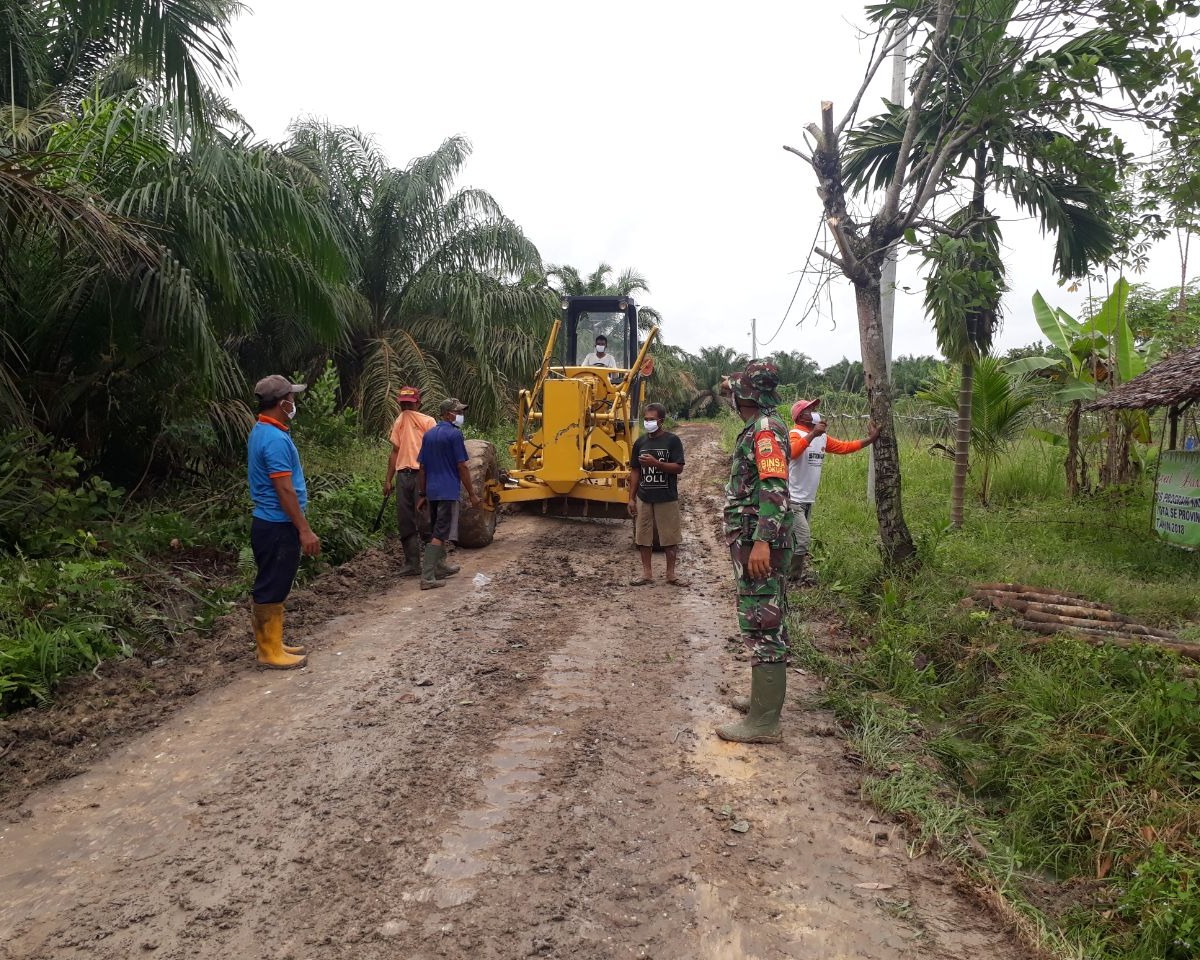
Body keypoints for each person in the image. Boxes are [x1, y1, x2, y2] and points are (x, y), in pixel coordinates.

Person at [718, 361, 793, 744]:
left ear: (745, 394)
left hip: (758, 541)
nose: (730, 396)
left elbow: (774, 487)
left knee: (762, 622)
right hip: (751, 538)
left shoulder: (764, 432)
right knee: (760, 616)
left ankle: (764, 723)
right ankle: (760, 703)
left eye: (734, 390)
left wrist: (762, 540)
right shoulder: (761, 427)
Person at [247, 375, 321, 670]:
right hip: (277, 525)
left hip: (271, 523)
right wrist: (304, 529)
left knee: (276, 584)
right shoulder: (275, 440)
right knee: (272, 585)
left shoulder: (263, 430)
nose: (294, 403)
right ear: (282, 403)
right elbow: (284, 489)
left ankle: (274, 643)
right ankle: (268, 651)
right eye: (292, 397)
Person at [787, 399, 879, 584]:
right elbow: (792, 453)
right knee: (803, 539)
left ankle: (782, 569)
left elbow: (843, 447)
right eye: (809, 410)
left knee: (792, 537)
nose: (814, 412)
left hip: (808, 499)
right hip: (792, 498)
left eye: (814, 408)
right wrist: (812, 434)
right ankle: (792, 577)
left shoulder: (822, 437)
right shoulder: (794, 434)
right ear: (800, 416)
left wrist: (870, 439)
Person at [417, 398, 482, 590]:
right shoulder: (454, 435)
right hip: (447, 491)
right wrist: (472, 493)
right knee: (440, 531)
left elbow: (422, 467)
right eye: (458, 412)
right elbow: (461, 465)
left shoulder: (428, 435)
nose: (461, 415)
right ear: (447, 414)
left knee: (437, 528)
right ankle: (427, 577)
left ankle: (440, 566)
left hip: (432, 491)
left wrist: (422, 492)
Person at [628, 402, 686, 585]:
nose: (648, 423)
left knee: (670, 537)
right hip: (644, 497)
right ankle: (647, 574)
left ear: (661, 420)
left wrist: (657, 464)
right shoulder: (640, 443)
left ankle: (671, 575)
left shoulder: (672, 441)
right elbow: (635, 471)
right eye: (646, 419)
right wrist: (631, 498)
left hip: (666, 498)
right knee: (643, 537)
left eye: (651, 419)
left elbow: (678, 468)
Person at [384, 385, 436, 577]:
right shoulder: (399, 421)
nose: (406, 406)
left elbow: (433, 451)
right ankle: (412, 563)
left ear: (418, 403)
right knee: (405, 521)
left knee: (426, 520)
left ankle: (436, 563)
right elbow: (395, 452)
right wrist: (388, 480)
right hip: (403, 475)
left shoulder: (428, 422)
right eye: (404, 403)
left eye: (409, 403)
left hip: (421, 474)